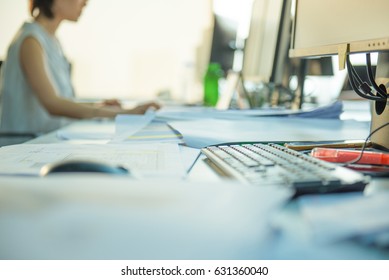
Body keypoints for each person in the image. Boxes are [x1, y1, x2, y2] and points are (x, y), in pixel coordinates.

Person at [0, 0, 160, 134]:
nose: (85, 3)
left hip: (48, 140)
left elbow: (63, 101)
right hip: (26, 145)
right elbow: (52, 104)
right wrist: (124, 113)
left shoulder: (52, 41)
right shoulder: (30, 41)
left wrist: (98, 107)